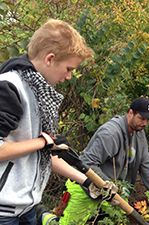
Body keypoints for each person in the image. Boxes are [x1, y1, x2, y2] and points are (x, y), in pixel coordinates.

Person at [0, 19, 105, 224]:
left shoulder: (38, 91)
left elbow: (44, 154)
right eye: (68, 68)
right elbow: (40, 145)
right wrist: (42, 142)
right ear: (50, 59)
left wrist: (87, 182)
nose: (69, 77)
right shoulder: (9, 88)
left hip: (26, 208)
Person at [59, 97, 149, 225]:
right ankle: (42, 215)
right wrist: (108, 185)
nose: (145, 123)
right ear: (130, 113)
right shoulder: (111, 134)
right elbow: (86, 162)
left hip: (108, 196)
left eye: (148, 119)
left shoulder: (138, 132)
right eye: (142, 118)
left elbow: (145, 164)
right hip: (84, 190)